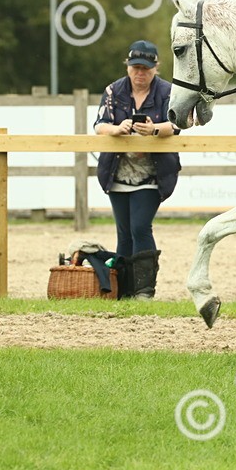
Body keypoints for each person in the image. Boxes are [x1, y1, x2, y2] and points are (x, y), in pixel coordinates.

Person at [93, 40, 181, 299]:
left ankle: (144, 289)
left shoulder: (167, 92)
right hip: (117, 171)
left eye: (145, 68)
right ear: (128, 67)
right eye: (135, 68)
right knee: (123, 231)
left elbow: (176, 125)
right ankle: (123, 289)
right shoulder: (113, 91)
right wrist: (118, 129)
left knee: (140, 227)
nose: (140, 73)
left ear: (155, 68)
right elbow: (100, 125)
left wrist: (153, 129)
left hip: (153, 173)